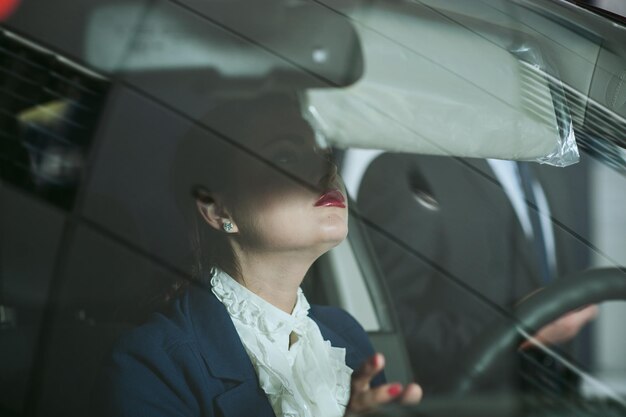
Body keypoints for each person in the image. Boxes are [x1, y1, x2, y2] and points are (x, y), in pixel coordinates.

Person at [91, 93, 422, 417]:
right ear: (218, 209)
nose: (327, 169)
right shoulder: (153, 365)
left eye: (324, 152)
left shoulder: (347, 335)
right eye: (285, 157)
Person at [351, 151, 597, 394]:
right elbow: (385, 327)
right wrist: (517, 335)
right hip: (461, 405)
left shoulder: (552, 164)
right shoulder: (406, 168)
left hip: (554, 402)